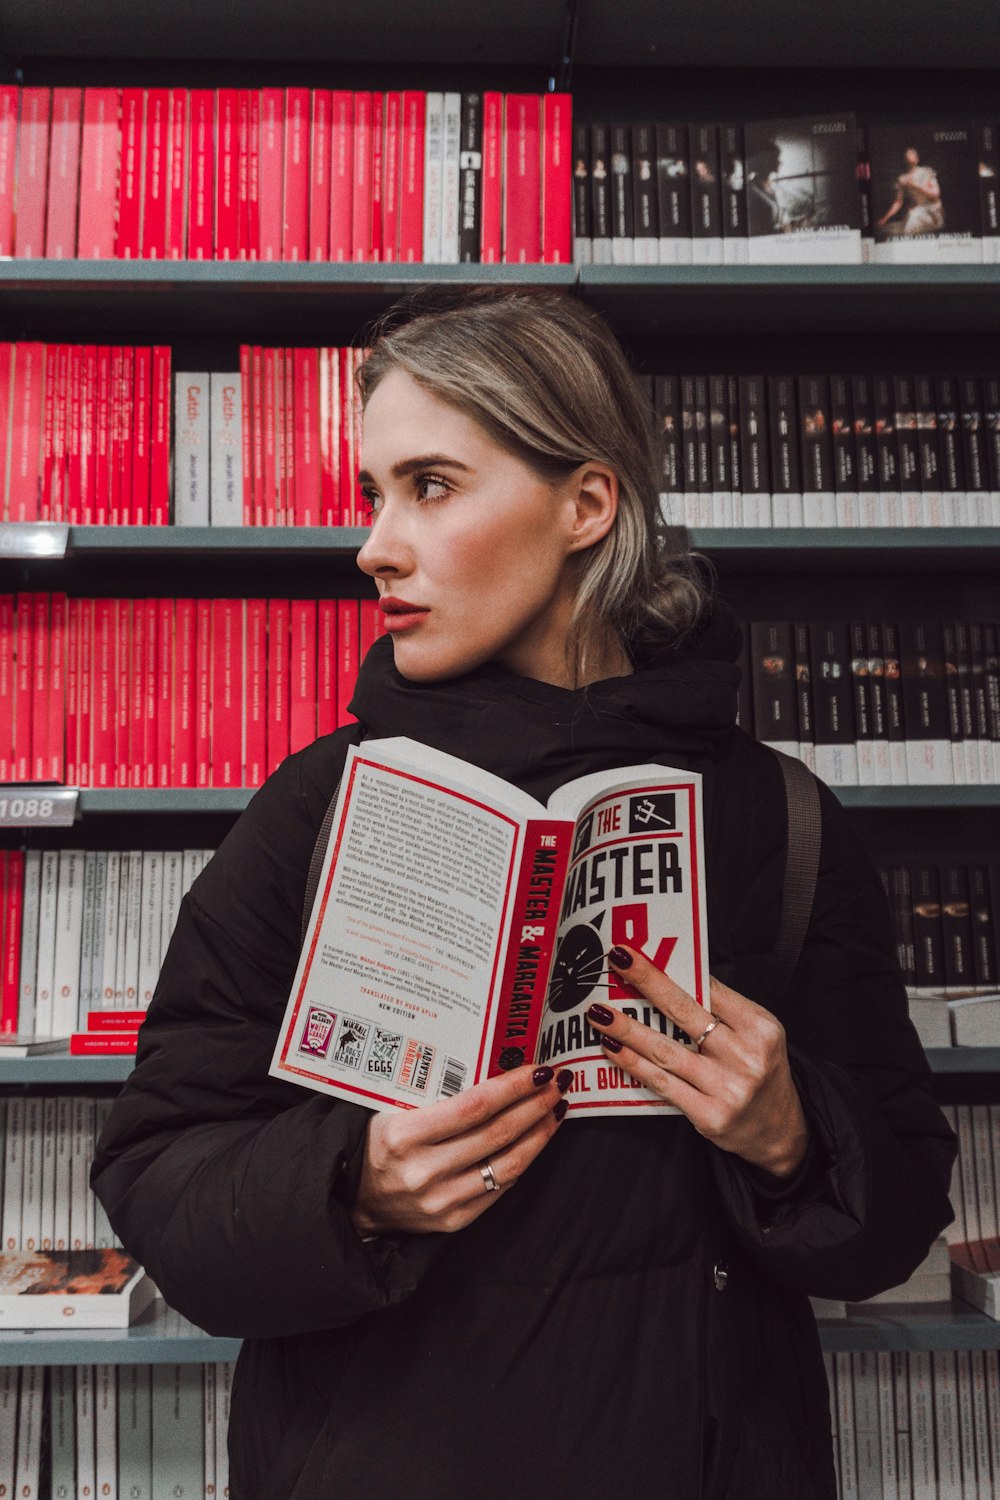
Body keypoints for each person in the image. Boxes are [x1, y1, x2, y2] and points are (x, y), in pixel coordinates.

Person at [92, 288, 955, 1500]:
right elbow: (158, 1169)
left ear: (585, 505)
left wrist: (793, 1137)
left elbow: (901, 1209)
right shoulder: (315, 808)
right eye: (373, 494)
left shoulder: (781, 815)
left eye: (431, 487)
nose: (376, 546)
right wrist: (355, 1188)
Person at [876, 146, 944, 237]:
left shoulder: (927, 172)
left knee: (912, 220)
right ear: (904, 160)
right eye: (908, 153)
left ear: (917, 159)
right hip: (918, 211)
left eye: (913, 153)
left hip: (933, 211)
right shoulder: (902, 179)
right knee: (895, 228)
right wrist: (885, 219)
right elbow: (898, 202)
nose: (910, 154)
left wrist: (916, 186)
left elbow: (936, 195)